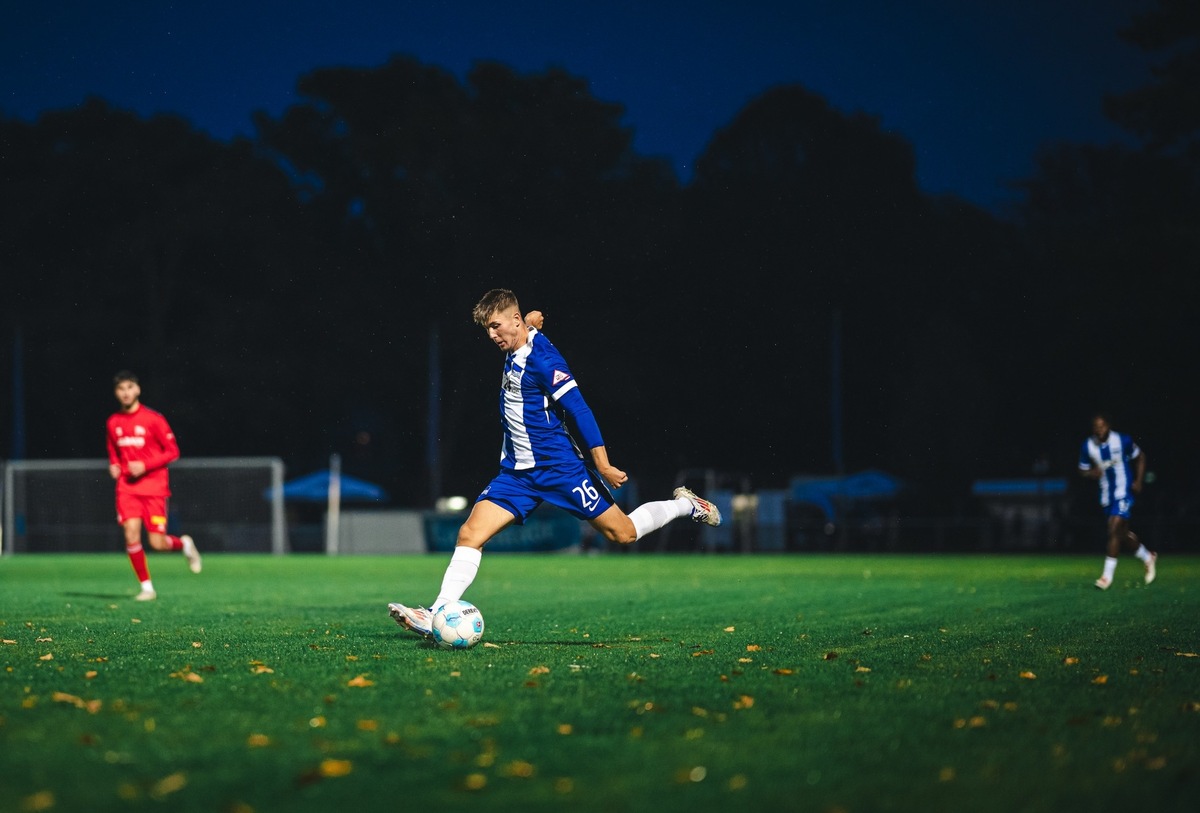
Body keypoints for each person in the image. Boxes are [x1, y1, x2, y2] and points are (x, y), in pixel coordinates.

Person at [388, 289, 722, 636]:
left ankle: (685, 505)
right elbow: (526, 327)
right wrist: (529, 323)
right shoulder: (519, 336)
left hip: (561, 469)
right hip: (517, 474)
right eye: (487, 329)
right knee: (470, 533)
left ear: (514, 320)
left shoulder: (544, 360)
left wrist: (603, 465)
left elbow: (579, 409)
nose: (491, 335)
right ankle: (437, 613)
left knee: (623, 533)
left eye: (495, 326)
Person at [106, 370, 201, 600]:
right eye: (121, 389)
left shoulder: (153, 419)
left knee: (158, 543)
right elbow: (113, 451)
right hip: (127, 488)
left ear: (137, 389)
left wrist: (145, 465)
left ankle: (184, 544)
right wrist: (114, 465)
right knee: (131, 535)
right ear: (116, 393)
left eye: (129, 387)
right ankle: (147, 587)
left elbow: (173, 451)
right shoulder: (113, 422)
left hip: (154, 488)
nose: (126, 393)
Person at [1078, 413, 1155, 590]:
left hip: (1124, 491)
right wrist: (1091, 473)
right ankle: (1147, 556)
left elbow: (1140, 457)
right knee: (1120, 533)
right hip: (1106, 495)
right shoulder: (1088, 446)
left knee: (1113, 529)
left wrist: (1139, 481)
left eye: (1102, 426)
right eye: (1096, 427)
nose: (1099, 430)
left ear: (1108, 425)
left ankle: (1106, 577)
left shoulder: (1123, 440)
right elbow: (1082, 469)